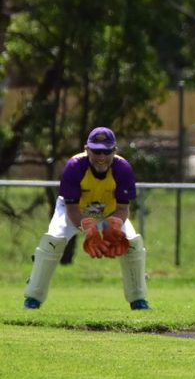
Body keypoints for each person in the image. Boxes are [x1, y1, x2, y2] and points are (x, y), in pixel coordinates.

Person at [23, 127, 150, 311]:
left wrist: (113, 227)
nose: (101, 157)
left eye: (107, 151)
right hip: (75, 211)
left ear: (114, 150)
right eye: (96, 151)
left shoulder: (122, 168)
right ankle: (33, 297)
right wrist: (90, 231)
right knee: (52, 241)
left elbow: (123, 208)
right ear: (87, 149)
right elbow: (72, 209)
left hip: (110, 211)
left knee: (133, 243)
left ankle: (138, 299)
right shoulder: (75, 166)